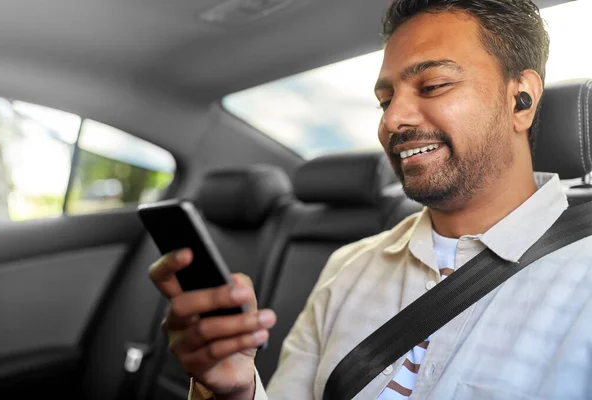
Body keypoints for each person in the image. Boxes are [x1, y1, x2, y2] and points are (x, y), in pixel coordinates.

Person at [149, 0, 592, 399]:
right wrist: (232, 390)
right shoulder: (347, 268)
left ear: (522, 99)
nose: (393, 119)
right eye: (385, 100)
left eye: (433, 85)